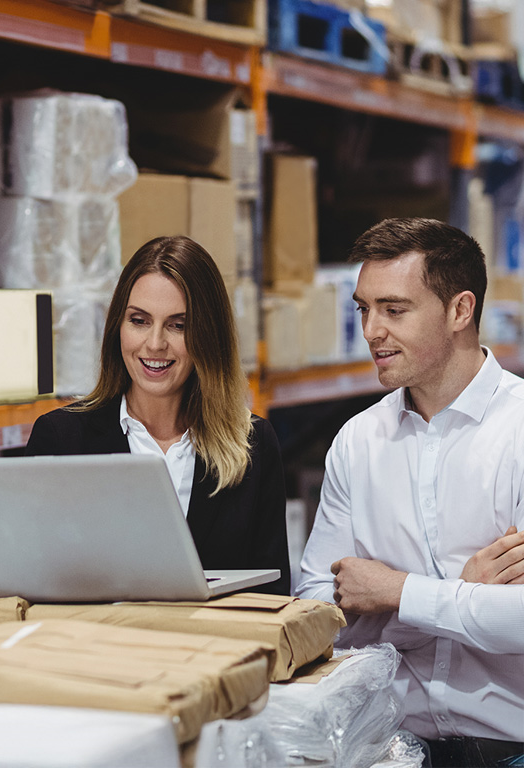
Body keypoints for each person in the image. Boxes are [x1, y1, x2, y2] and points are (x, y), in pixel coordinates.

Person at [295, 218, 524, 767]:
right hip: (388, 747)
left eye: (394, 310)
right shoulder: (357, 441)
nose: (372, 330)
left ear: (459, 311)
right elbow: (315, 605)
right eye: (364, 309)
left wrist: (396, 591)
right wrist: (455, 595)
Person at [26, 235, 290, 594]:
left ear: (209, 335)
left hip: (221, 649)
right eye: (139, 320)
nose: (154, 343)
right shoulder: (61, 439)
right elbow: (38, 586)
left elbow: (273, 600)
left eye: (178, 325)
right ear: (117, 326)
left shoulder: (253, 445)